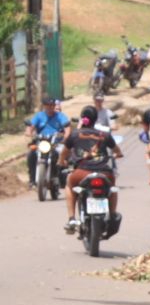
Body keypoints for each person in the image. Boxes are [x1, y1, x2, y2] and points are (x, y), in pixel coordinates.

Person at [60, 105, 122, 233]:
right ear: (96, 120)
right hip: (104, 172)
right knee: (112, 189)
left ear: (82, 119)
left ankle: (72, 218)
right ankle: (112, 213)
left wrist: (61, 161)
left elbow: (64, 153)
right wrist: (117, 155)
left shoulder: (75, 134)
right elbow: (117, 151)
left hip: (81, 172)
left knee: (69, 186)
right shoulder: (104, 134)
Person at [25, 96, 71, 188]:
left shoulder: (60, 116)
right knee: (31, 155)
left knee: (58, 154)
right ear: (44, 106)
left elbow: (67, 129)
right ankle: (32, 180)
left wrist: (65, 137)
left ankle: (56, 176)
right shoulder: (39, 116)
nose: (50, 107)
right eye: (48, 105)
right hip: (41, 143)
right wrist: (29, 133)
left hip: (55, 143)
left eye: (52, 105)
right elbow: (30, 127)